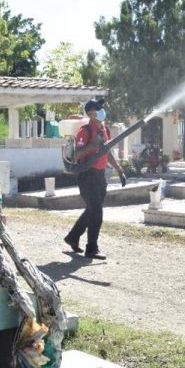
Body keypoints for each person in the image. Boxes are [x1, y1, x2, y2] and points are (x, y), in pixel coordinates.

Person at [64, 98, 126, 260]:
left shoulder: (103, 129)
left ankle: (72, 237)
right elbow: (77, 155)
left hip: (99, 175)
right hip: (87, 175)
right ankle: (91, 248)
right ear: (91, 113)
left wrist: (119, 169)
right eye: (98, 108)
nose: (102, 111)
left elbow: (107, 152)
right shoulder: (86, 131)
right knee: (96, 212)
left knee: (92, 209)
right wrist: (93, 145)